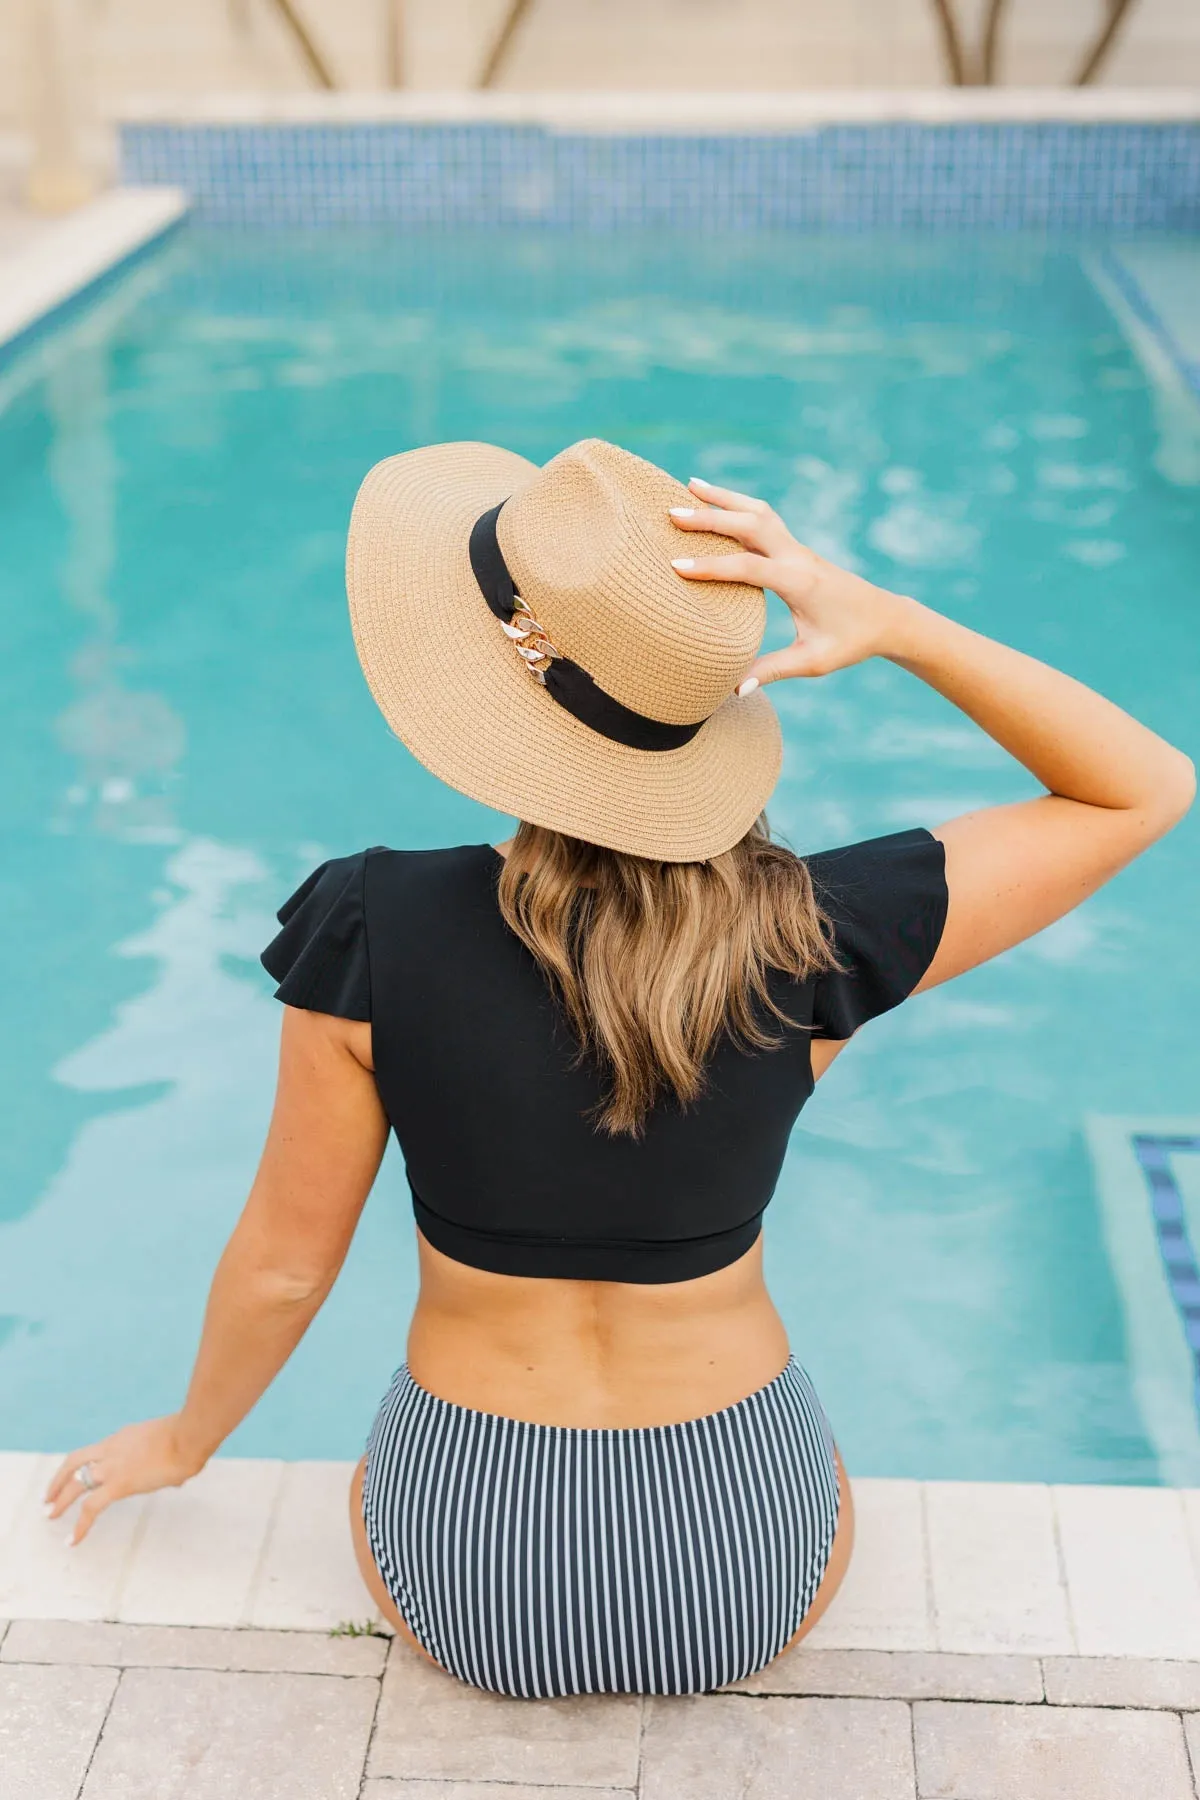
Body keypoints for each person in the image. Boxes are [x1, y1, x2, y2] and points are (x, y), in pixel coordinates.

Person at [46, 439, 1192, 1698]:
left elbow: (281, 1265)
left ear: (486, 702)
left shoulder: (370, 925)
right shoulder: (815, 932)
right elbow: (1139, 791)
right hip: (744, 1560)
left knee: (391, 1468)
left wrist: (184, 1439)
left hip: (468, 1561)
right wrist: (893, 621)